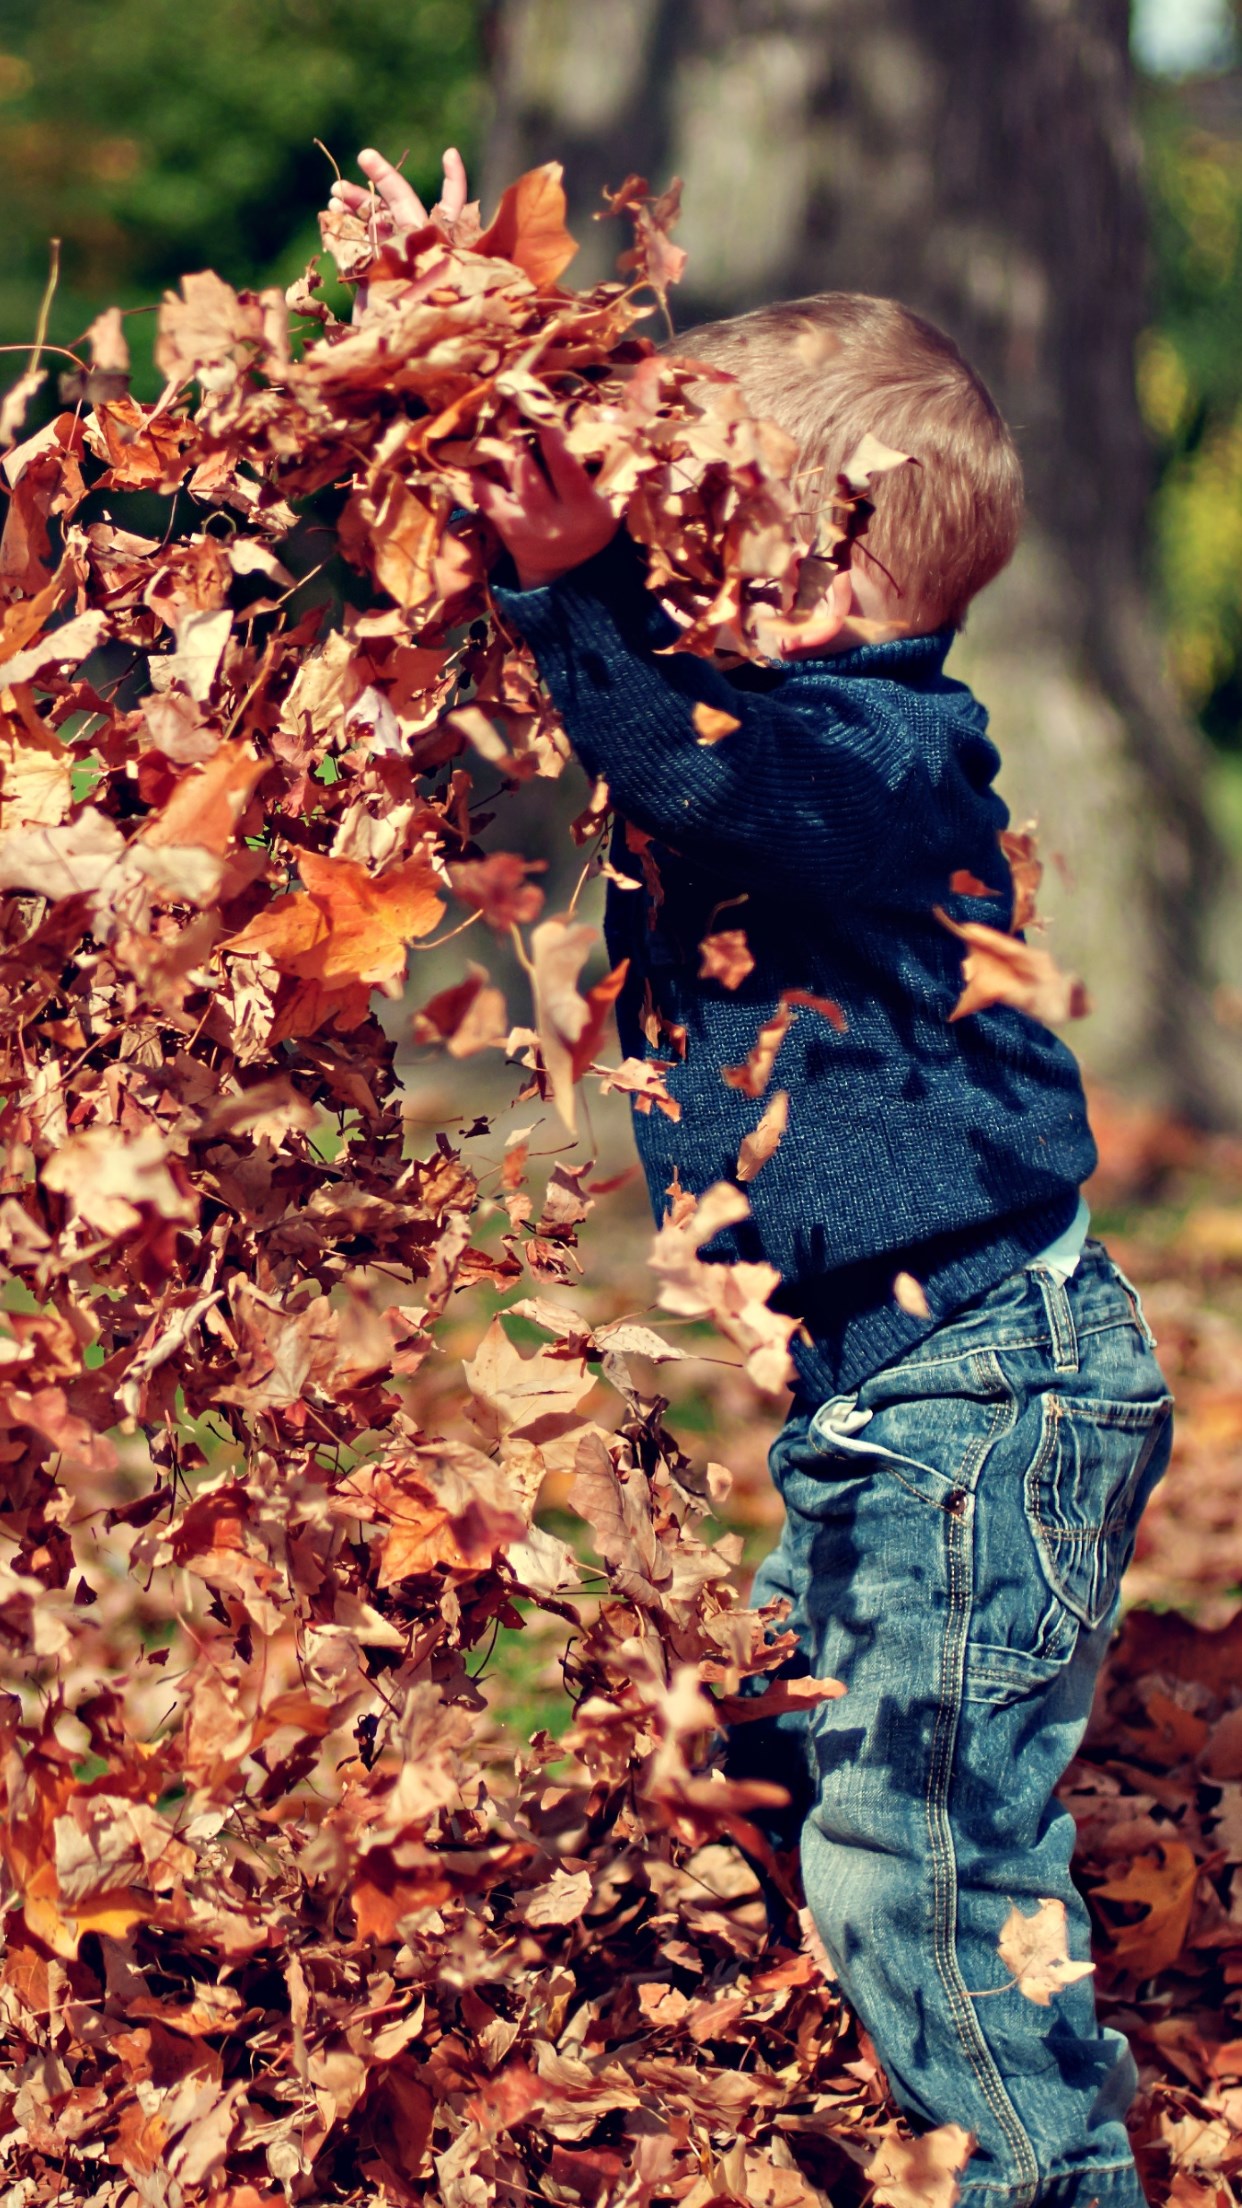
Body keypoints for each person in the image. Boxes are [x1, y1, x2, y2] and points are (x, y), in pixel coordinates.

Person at [331, 150, 1174, 2208]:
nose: (669, 573)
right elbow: (677, 754)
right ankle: (959, 2035)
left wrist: (574, 591)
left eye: (707, 531)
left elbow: (700, 769)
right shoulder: (785, 737)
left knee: (927, 1848)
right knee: (828, 1752)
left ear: (830, 556)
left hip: (988, 1394)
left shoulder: (880, 752)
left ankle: (1048, 2170)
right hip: (902, 1400)